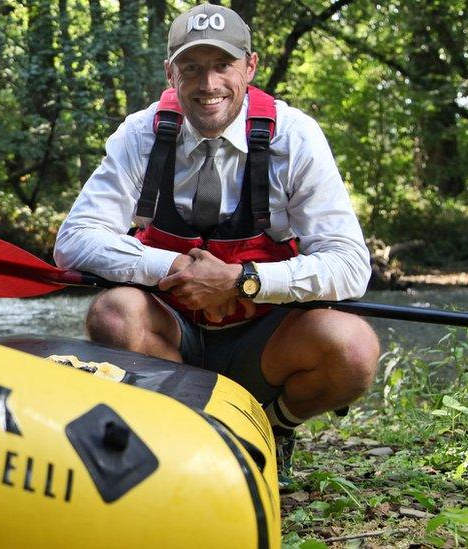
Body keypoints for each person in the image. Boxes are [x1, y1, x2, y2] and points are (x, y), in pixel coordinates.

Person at [53, 3, 379, 487]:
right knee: (113, 313)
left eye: (223, 65)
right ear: (171, 73)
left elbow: (351, 265)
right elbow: (73, 241)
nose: (208, 84)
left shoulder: (295, 137)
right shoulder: (140, 135)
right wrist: (176, 268)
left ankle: (271, 429)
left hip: (262, 339)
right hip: (171, 331)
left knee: (353, 349)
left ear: (249, 66)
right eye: (192, 68)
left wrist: (241, 281)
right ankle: (198, 433)